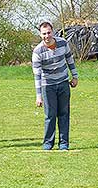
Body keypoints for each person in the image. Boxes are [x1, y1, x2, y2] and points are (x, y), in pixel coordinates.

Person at [32, 21, 78, 150]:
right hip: (48, 86)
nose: (47, 36)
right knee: (50, 115)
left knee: (64, 114)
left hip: (63, 83)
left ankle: (64, 144)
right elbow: (37, 75)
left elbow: (70, 59)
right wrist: (39, 96)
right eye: (44, 34)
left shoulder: (63, 43)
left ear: (53, 32)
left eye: (49, 33)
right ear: (40, 35)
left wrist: (75, 76)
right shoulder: (37, 51)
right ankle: (48, 143)